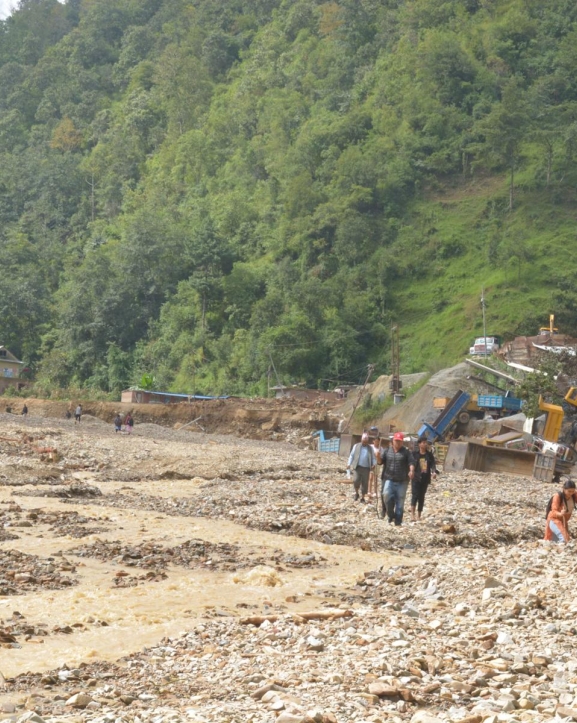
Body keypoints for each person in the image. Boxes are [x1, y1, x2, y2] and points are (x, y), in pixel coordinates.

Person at [378, 432, 415, 526]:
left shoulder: (406, 452)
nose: (398, 443)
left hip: (402, 480)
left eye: (399, 441)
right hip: (389, 478)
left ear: (402, 442)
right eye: (396, 441)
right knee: (386, 495)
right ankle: (390, 514)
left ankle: (398, 521)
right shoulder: (387, 451)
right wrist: (377, 456)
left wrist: (411, 471)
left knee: (400, 500)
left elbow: (411, 462)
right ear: (393, 441)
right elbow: (380, 462)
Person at [410, 436, 438, 522]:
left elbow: (433, 464)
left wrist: (433, 472)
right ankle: (412, 515)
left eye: (426, 442)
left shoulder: (429, 455)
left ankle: (419, 515)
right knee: (414, 495)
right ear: (419, 444)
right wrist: (410, 472)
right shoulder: (415, 454)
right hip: (416, 478)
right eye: (423, 442)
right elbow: (411, 464)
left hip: (425, 478)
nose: (425, 444)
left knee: (421, 496)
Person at [347, 432, 376, 503]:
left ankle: (362, 497)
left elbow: (373, 458)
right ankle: (357, 493)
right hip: (357, 467)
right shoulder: (356, 446)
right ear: (361, 440)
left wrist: (374, 464)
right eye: (363, 441)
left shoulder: (370, 448)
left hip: (366, 468)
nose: (364, 443)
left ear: (367, 441)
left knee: (365, 483)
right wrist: (349, 464)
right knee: (356, 480)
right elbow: (351, 455)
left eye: (366, 442)